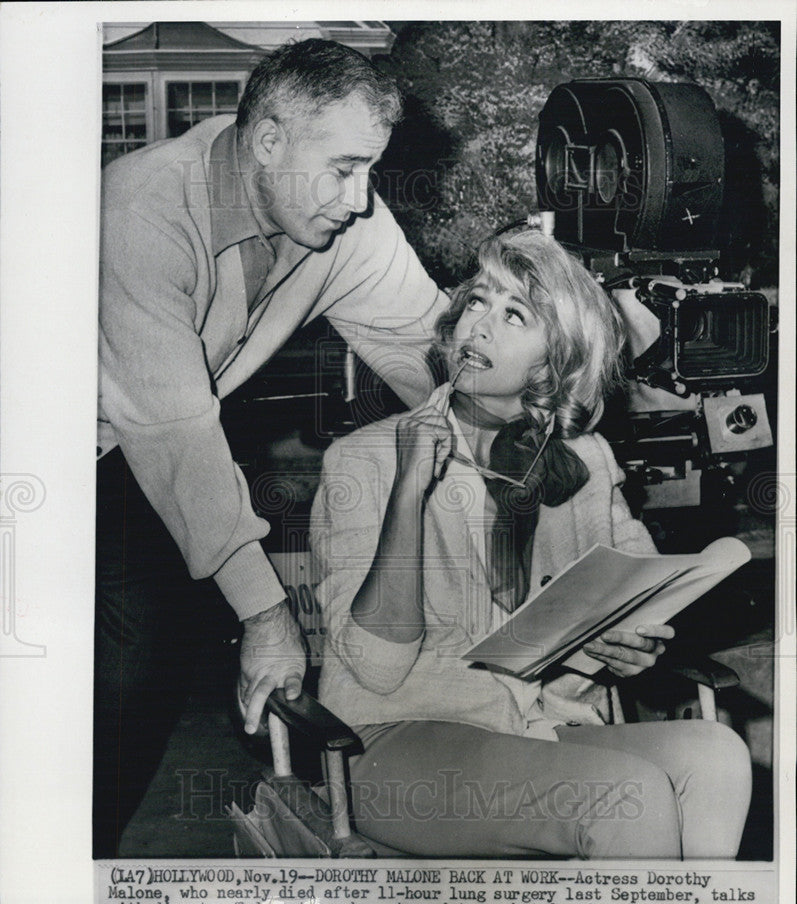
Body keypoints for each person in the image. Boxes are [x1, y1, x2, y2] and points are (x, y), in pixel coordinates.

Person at [95, 39, 447, 856]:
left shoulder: (342, 221)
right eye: (345, 168)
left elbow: (427, 351)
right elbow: (176, 437)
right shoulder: (138, 214)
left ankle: (86, 858)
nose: (360, 200)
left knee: (137, 670)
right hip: (55, 449)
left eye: (371, 170)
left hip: (147, 448)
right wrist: (265, 614)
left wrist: (534, 411)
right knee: (106, 669)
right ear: (268, 141)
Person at [310, 229, 752, 859]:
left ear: (553, 363)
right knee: (625, 795)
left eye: (513, 314)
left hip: (537, 728)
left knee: (718, 755)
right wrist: (408, 492)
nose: (479, 325)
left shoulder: (587, 460)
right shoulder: (363, 460)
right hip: (393, 743)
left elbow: (632, 593)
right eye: (476, 302)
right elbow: (377, 670)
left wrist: (626, 645)